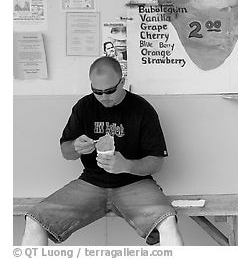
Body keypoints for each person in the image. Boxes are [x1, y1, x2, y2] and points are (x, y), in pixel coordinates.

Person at [21, 56, 183, 246]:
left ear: (122, 82)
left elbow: (157, 162)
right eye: (97, 91)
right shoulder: (84, 106)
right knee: (35, 221)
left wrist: (127, 165)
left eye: (109, 91)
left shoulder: (142, 109)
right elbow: (66, 151)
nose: (104, 97)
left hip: (135, 184)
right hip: (91, 182)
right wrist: (76, 147)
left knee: (168, 222)